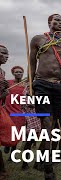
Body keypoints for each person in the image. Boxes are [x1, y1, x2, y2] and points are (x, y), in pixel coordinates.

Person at [29, 14, 61, 179]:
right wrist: (31, 86)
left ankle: (41, 160)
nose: (60, 22)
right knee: (47, 123)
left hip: (60, 86)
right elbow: (32, 64)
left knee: (52, 124)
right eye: (57, 20)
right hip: (42, 84)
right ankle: (48, 167)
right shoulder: (38, 40)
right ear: (49, 23)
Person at [4, 66, 26, 161]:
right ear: (13, 73)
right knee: (7, 128)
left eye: (20, 72)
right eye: (17, 72)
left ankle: (12, 154)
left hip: (19, 111)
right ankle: (7, 145)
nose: (19, 73)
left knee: (16, 133)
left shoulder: (25, 85)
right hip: (8, 109)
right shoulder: (8, 83)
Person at [0, 44, 9, 180]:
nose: (6, 56)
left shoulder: (2, 72)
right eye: (3, 53)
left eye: (7, 54)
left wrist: (4, 92)